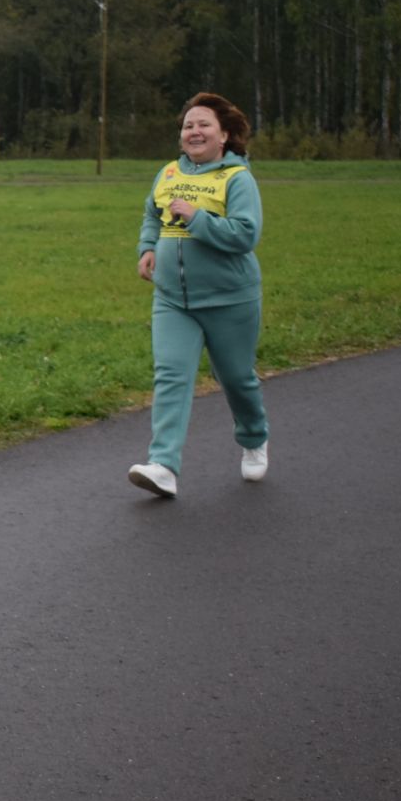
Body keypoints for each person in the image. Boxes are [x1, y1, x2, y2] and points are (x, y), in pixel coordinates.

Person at [128, 91, 270, 498]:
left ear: (223, 135)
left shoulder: (236, 178)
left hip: (230, 299)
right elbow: (152, 215)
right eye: (188, 125)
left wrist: (196, 218)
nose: (195, 131)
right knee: (171, 375)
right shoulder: (168, 173)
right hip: (173, 298)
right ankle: (163, 466)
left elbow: (245, 235)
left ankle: (254, 438)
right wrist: (148, 248)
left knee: (237, 380)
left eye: (204, 124)